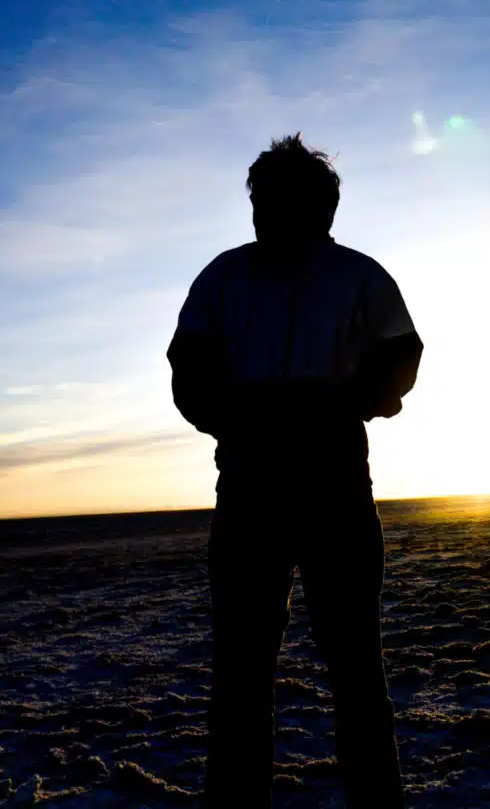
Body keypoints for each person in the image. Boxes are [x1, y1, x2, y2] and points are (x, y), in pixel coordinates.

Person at [166, 134, 423, 808]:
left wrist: (338, 404)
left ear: (321, 207)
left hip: (321, 480)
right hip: (260, 482)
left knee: (343, 667)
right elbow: (188, 372)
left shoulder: (355, 276)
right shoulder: (227, 277)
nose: (266, 211)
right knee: (251, 672)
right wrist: (246, 420)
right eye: (261, 199)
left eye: (278, 199)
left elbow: (403, 355)